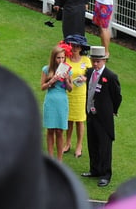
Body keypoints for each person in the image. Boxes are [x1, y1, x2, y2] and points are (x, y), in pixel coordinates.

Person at [82, 46, 122, 188]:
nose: (95, 64)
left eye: (98, 61)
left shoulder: (110, 77)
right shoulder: (90, 72)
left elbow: (117, 96)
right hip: (91, 115)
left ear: (104, 61)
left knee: (104, 146)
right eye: (93, 60)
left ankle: (106, 174)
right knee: (92, 143)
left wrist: (113, 110)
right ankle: (95, 170)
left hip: (104, 117)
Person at [41, 43, 73, 160]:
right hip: (50, 101)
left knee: (59, 131)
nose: (60, 60)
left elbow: (70, 89)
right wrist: (51, 80)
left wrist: (66, 80)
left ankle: (59, 160)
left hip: (62, 101)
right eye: (58, 57)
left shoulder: (68, 70)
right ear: (54, 58)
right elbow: (42, 87)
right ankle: (50, 158)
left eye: (62, 58)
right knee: (50, 130)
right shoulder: (46, 69)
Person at [63, 35, 92, 159]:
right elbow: (60, 76)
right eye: (73, 45)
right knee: (69, 119)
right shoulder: (66, 59)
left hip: (80, 94)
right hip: (68, 93)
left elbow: (91, 75)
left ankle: (79, 145)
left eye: (77, 46)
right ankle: (67, 142)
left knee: (80, 120)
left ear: (81, 48)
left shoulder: (86, 60)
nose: (74, 48)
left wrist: (84, 78)